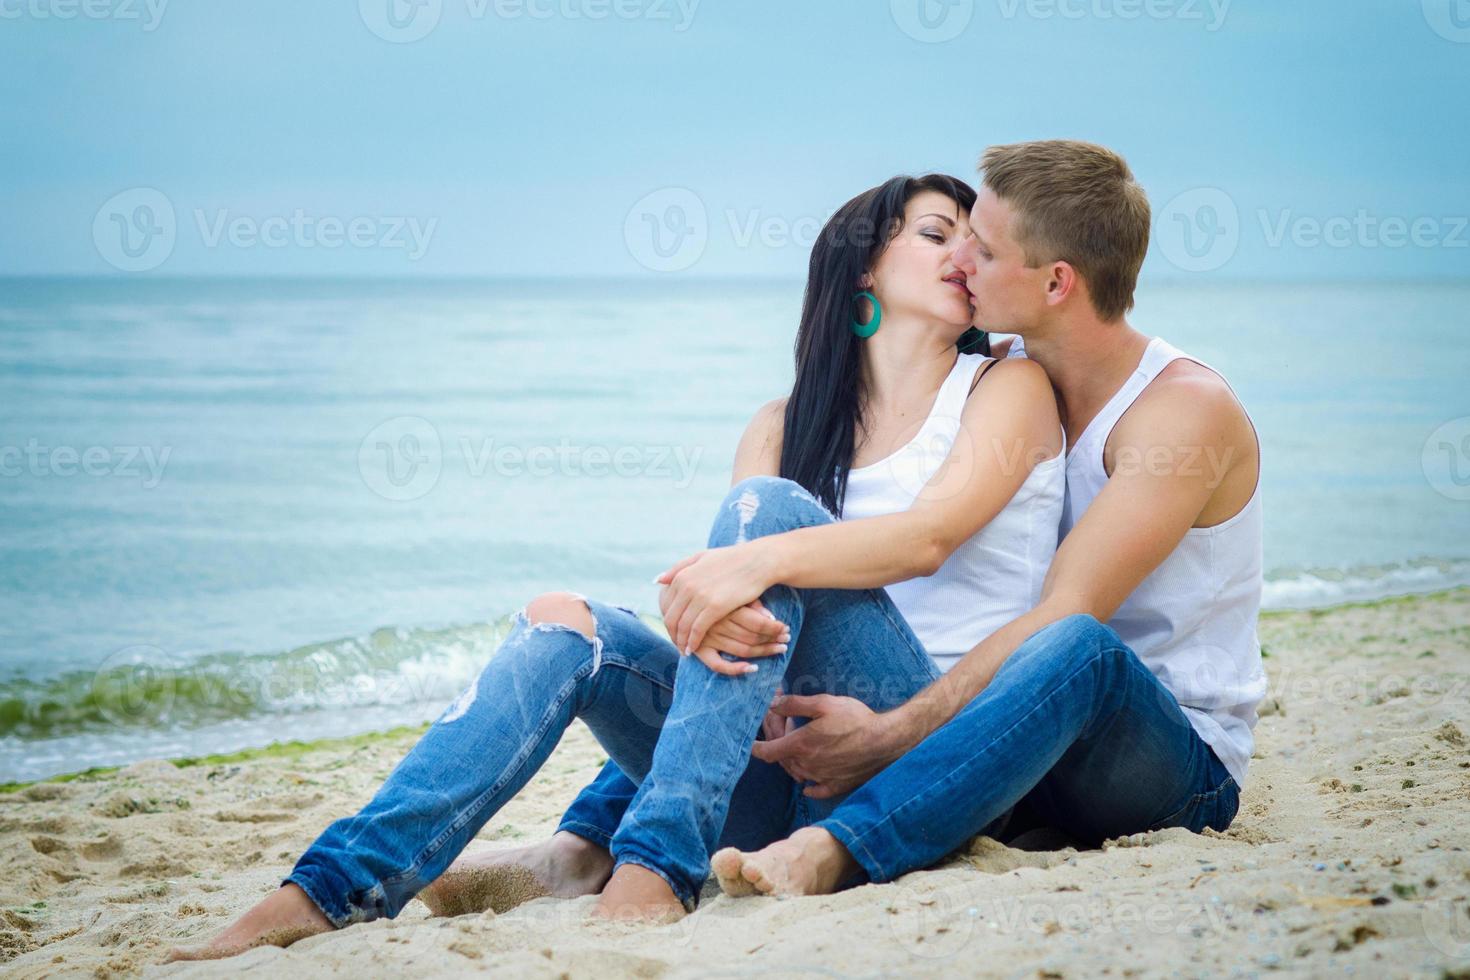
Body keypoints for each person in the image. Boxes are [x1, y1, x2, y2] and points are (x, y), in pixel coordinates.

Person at [166, 173, 1065, 960]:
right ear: (863, 267)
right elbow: (735, 597)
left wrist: (740, 570)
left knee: (767, 525)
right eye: (936, 234)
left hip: (925, 759)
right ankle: (330, 890)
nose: (963, 256)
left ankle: (648, 870)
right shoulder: (782, 425)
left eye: (975, 243)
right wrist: (708, 598)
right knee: (568, 623)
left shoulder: (1007, 388)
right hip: (774, 773)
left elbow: (926, 540)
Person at [709, 139, 1266, 897]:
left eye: (984, 248)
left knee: (1080, 645)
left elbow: (1062, 614)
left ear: (1058, 281)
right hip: (1006, 742)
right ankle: (600, 842)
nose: (962, 260)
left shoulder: (1178, 414)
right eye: (954, 238)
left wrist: (892, 732)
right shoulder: (1002, 377)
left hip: (1162, 757)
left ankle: (836, 850)